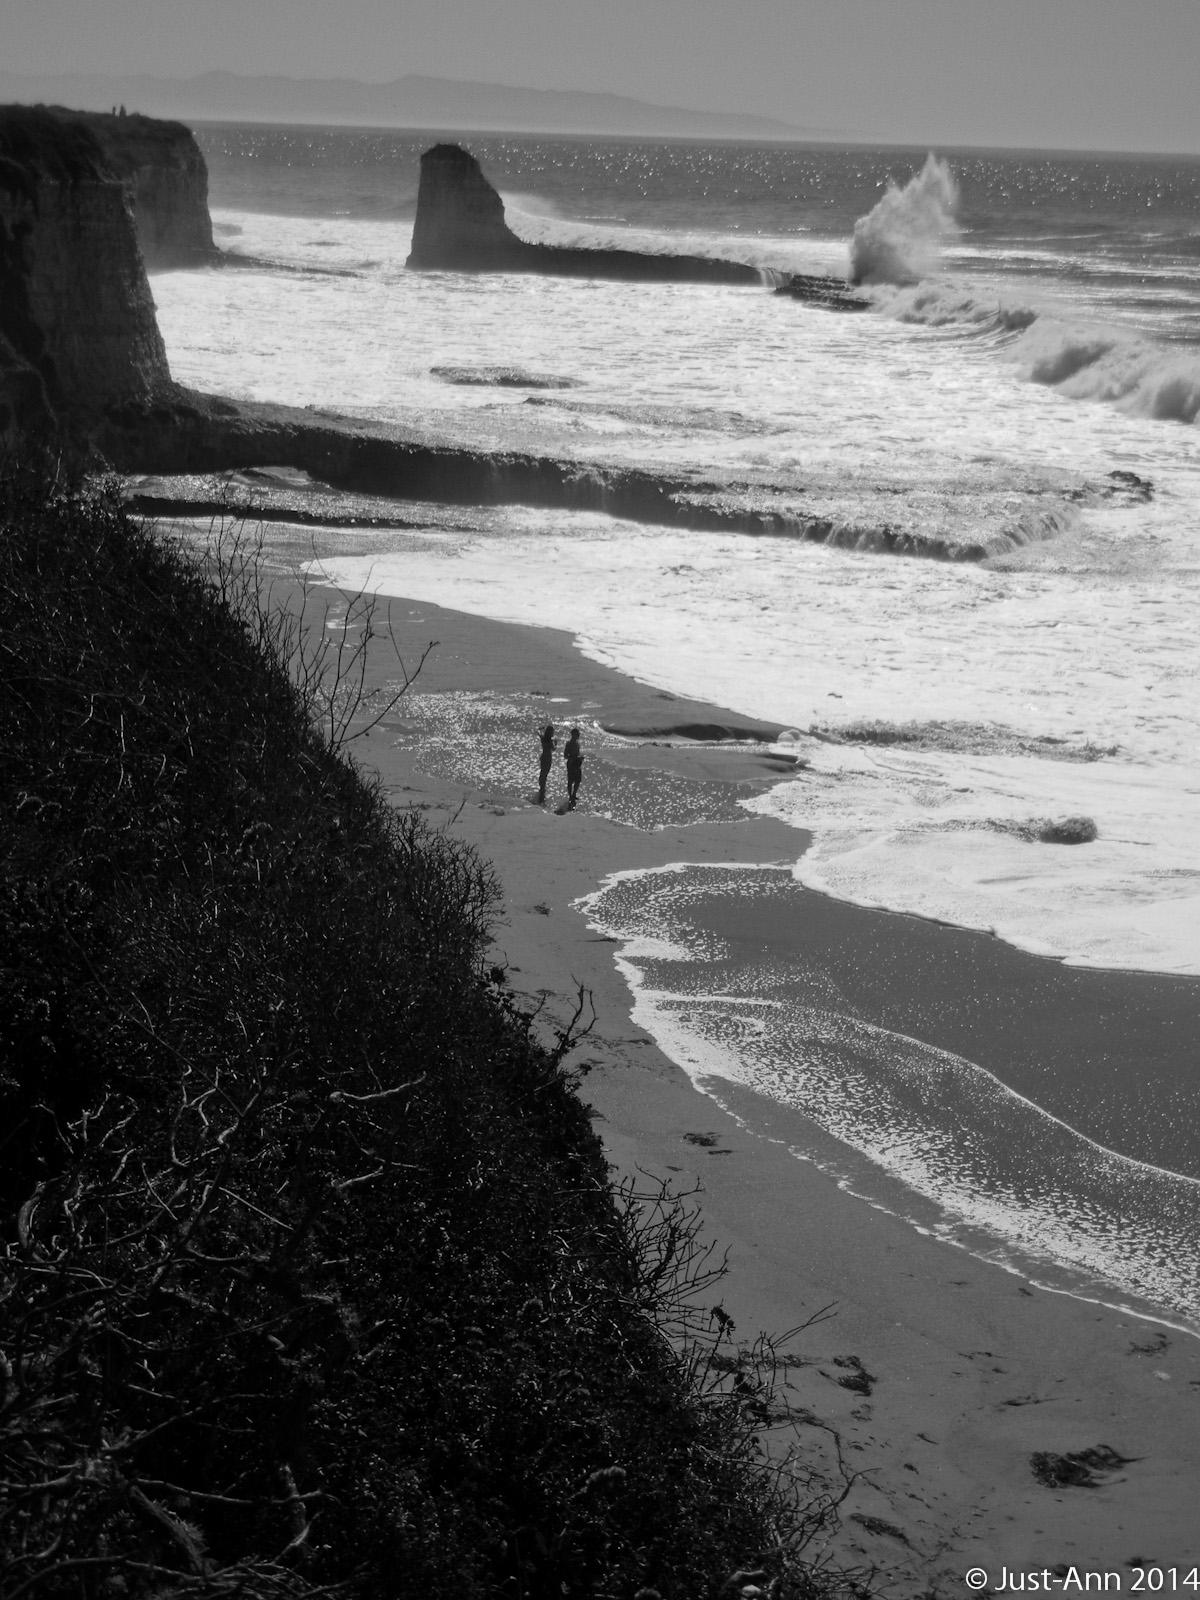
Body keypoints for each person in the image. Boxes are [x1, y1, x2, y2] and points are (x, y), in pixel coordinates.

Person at [564, 727, 584, 810]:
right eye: (577, 734)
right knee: (570, 780)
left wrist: (580, 757)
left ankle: (574, 794)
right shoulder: (569, 743)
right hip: (571, 763)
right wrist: (572, 757)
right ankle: (570, 796)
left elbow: (577, 754)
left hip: (577, 763)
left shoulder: (577, 743)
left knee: (578, 780)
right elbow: (565, 755)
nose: (578, 735)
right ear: (573, 734)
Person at [537, 722, 556, 803]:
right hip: (548, 758)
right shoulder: (550, 741)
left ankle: (542, 789)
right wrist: (556, 743)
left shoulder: (543, 738)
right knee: (545, 774)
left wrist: (541, 729)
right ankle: (542, 791)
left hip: (543, 757)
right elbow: (554, 749)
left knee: (542, 773)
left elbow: (538, 732)